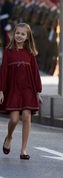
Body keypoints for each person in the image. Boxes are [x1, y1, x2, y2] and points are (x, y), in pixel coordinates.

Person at [0, 23, 42, 160]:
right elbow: (4, 72)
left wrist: (38, 92)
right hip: (13, 89)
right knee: (14, 119)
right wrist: (1, 90)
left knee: (26, 116)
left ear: (27, 37)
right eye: (17, 33)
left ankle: (23, 149)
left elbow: (35, 73)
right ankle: (9, 136)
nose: (19, 36)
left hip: (28, 89)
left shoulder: (29, 53)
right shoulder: (8, 51)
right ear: (13, 34)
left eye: (23, 34)